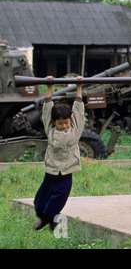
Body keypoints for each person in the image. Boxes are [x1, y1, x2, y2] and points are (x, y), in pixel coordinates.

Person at [33, 76, 84, 231]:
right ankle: (44, 218)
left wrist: (79, 86)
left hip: (67, 169)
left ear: (70, 120)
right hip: (52, 169)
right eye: (60, 123)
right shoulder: (50, 130)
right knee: (42, 197)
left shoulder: (75, 128)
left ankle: (51, 218)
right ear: (54, 122)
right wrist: (49, 87)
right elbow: (47, 110)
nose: (63, 126)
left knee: (60, 196)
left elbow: (79, 111)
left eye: (66, 122)